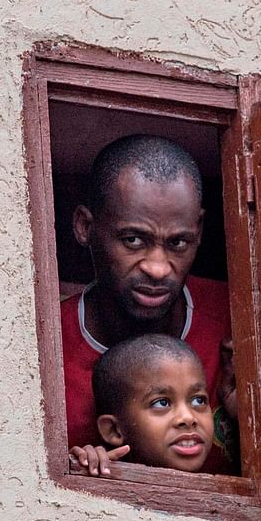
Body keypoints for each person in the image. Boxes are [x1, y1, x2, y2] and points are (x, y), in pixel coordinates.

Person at [61, 134, 236, 475]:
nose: (157, 267)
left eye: (177, 243)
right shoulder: (44, 352)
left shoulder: (239, 320)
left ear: (198, 231)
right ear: (85, 227)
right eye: (133, 240)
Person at [71, 334, 213, 475]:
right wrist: (87, 466)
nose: (188, 418)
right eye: (162, 403)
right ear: (114, 429)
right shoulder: (99, 475)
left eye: (198, 400)